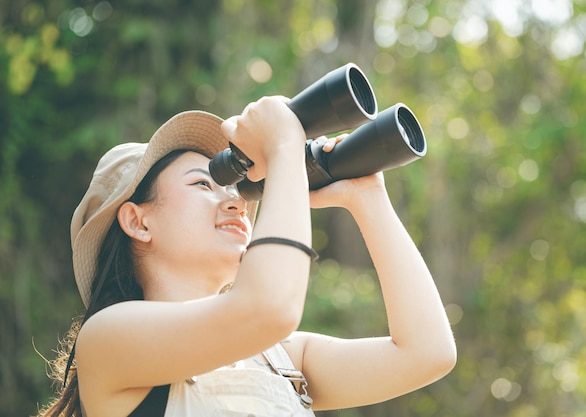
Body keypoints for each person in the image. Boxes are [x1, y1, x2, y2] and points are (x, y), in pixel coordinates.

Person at [37, 96, 456, 417]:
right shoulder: (109, 339)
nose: (236, 203)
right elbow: (268, 307)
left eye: (236, 189)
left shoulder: (281, 357)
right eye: (203, 185)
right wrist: (284, 146)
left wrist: (368, 198)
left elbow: (426, 353)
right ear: (138, 222)